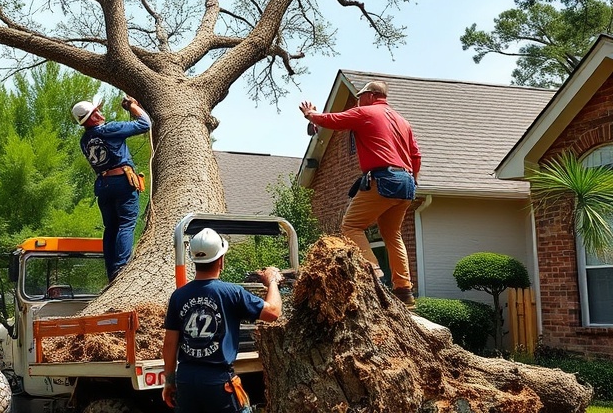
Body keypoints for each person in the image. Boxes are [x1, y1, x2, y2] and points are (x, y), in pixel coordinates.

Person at [298, 80, 421, 307]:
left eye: (361, 95)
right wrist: (411, 179)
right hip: (406, 183)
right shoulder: (403, 121)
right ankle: (405, 291)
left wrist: (311, 115)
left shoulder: (366, 112)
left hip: (384, 178)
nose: (357, 99)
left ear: (373, 96)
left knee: (351, 225)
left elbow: (333, 120)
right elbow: (416, 156)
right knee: (392, 234)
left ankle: (374, 276)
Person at [161, 228, 283, 412]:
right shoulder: (231, 293)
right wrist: (272, 281)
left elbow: (169, 344)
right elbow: (273, 312)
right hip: (217, 381)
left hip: (186, 379)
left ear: (195, 261)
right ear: (221, 260)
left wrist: (169, 381)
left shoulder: (178, 296)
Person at [72, 96, 151, 282]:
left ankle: (112, 272)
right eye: (96, 111)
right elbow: (145, 124)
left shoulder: (85, 140)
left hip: (103, 185)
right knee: (126, 224)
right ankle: (122, 268)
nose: (100, 113)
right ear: (91, 118)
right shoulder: (109, 129)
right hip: (121, 182)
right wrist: (133, 106)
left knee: (111, 228)